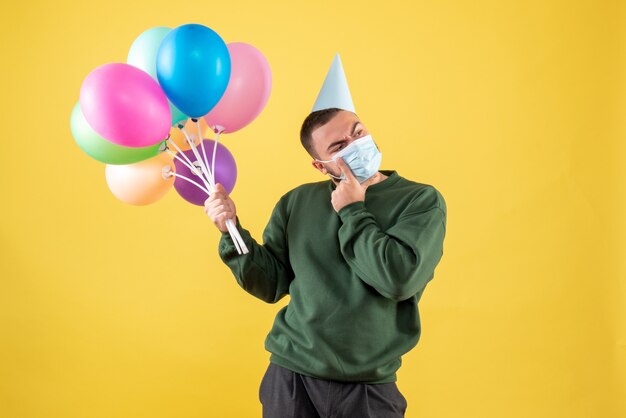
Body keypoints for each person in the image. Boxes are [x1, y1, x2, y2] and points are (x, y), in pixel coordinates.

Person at [204, 54, 447, 418]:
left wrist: (353, 210)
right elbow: (271, 284)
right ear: (321, 165)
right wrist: (231, 230)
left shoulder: (420, 200)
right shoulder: (297, 202)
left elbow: (399, 279)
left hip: (367, 386)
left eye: (358, 132)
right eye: (339, 146)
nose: (355, 144)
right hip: (291, 376)